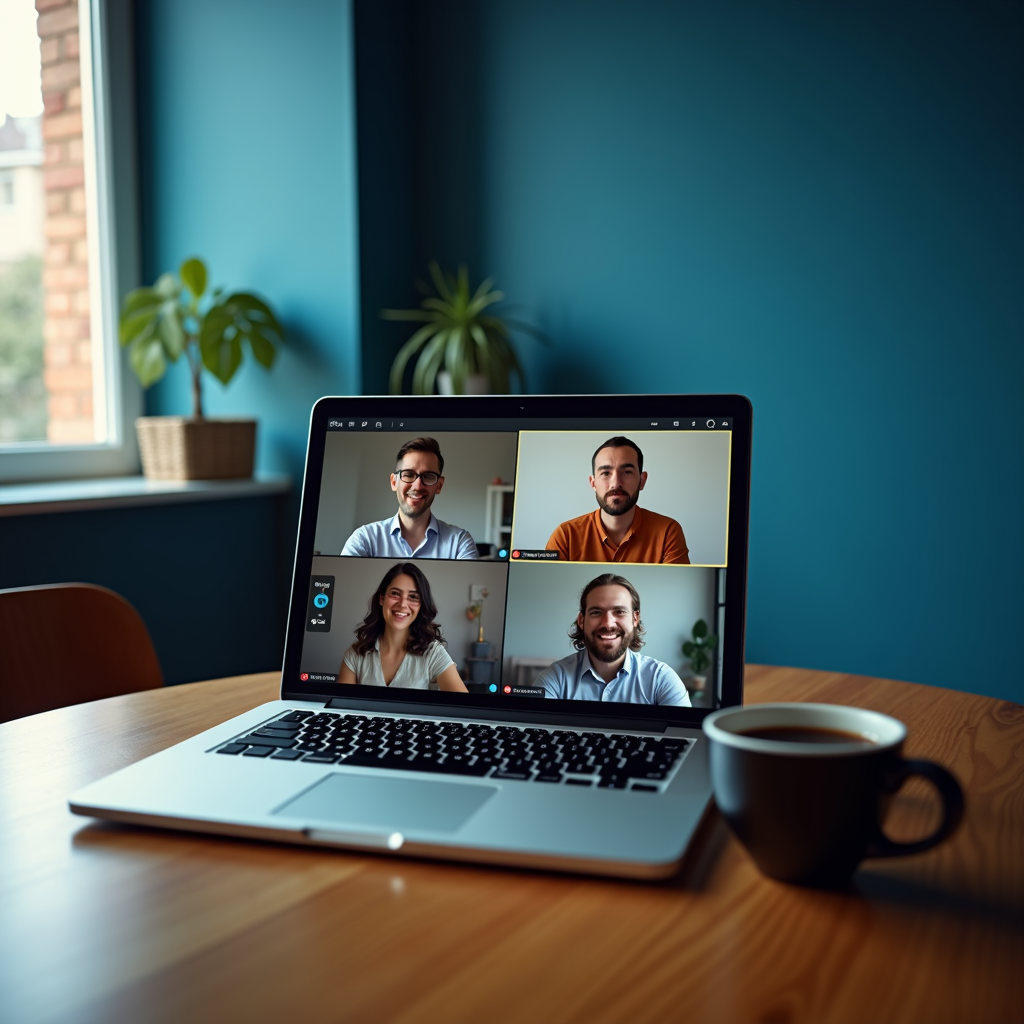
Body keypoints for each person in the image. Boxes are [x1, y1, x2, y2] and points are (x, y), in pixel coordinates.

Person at [535, 573, 690, 706]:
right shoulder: (555, 679)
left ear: (635, 618)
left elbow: (682, 734)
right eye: (596, 612)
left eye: (619, 612)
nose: (608, 623)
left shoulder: (661, 679)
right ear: (581, 620)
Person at [545, 436, 689, 563]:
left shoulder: (667, 532)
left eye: (627, 472)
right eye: (606, 473)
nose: (615, 483)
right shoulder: (565, 536)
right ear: (593, 483)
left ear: (642, 480)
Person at [341, 437, 479, 559]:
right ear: (394, 482)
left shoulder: (460, 543)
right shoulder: (365, 539)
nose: (418, 486)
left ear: (439, 485)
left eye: (429, 476)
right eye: (408, 474)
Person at [338, 562, 468, 691]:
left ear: (421, 605)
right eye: (395, 593)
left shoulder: (433, 652)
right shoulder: (355, 654)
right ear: (381, 598)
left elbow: (464, 708)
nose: (402, 604)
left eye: (413, 597)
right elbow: (341, 706)